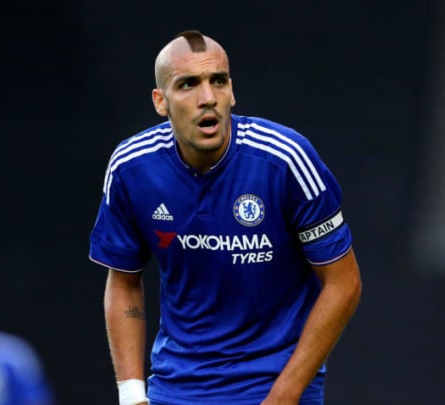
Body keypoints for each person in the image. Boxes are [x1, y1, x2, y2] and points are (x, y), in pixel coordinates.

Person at [89, 29, 362, 405]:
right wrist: (132, 395)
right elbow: (123, 283)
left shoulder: (286, 160)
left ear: (231, 91)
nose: (208, 98)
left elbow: (343, 283)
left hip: (273, 385)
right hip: (176, 388)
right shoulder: (131, 168)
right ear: (160, 101)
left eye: (218, 81)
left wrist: (285, 395)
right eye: (188, 84)